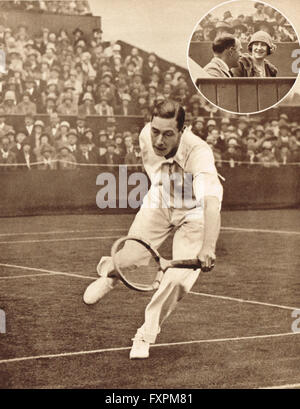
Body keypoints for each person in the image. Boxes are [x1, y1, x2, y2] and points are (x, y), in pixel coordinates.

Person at [83, 100, 223, 359]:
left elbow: (211, 203)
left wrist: (208, 247)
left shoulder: (199, 153)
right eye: (156, 131)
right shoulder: (145, 136)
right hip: (160, 199)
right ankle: (110, 276)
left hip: (194, 213)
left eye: (168, 134)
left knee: (177, 281)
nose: (159, 140)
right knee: (129, 258)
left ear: (183, 130)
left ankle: (145, 334)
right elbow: (160, 171)